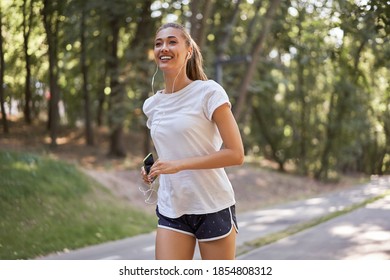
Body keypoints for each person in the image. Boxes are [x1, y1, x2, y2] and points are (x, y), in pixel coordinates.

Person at [141, 22, 244, 260]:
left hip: (212, 204)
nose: (164, 47)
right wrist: (153, 168)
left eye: (172, 41)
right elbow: (171, 148)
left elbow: (236, 154)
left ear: (188, 51)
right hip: (172, 207)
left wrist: (179, 165)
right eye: (159, 43)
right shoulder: (152, 105)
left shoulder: (209, 93)